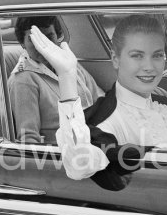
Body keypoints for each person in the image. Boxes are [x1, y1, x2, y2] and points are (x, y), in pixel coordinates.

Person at [29, 15, 167, 182]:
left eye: (157, 55)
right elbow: (79, 164)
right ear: (115, 59)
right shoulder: (108, 121)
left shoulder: (161, 103)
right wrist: (67, 75)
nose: (149, 67)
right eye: (137, 55)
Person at [8, 16, 104, 144]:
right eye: (33, 39)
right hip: (65, 152)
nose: (42, 45)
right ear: (22, 43)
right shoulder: (23, 80)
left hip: (96, 137)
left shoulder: (67, 62)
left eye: (49, 37)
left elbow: (100, 101)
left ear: (57, 36)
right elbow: (29, 139)